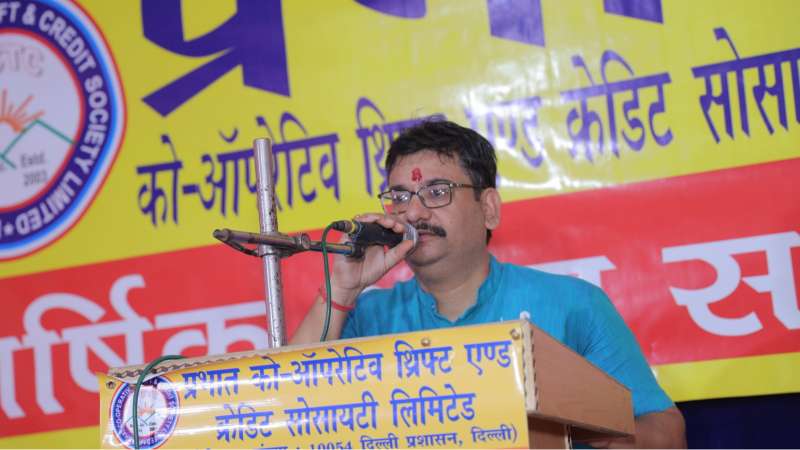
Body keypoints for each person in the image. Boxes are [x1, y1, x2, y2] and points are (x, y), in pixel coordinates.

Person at [291, 120, 686, 448]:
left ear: (489, 208)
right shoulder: (368, 318)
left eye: (437, 192)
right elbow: (286, 411)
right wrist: (342, 290)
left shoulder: (572, 305)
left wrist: (581, 424)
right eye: (400, 196)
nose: (413, 212)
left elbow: (667, 433)